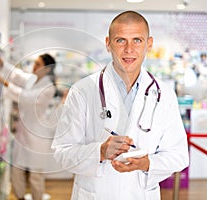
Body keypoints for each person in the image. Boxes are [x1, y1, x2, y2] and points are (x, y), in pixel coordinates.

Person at [52, 11, 189, 200]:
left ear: (149, 44)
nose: (129, 49)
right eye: (121, 40)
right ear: (108, 44)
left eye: (137, 40)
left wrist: (147, 163)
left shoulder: (164, 95)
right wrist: (99, 152)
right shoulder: (83, 91)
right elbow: (62, 152)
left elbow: (178, 155)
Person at [0, 53, 56, 200]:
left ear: (47, 69)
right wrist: (1, 62)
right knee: (16, 169)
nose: (34, 67)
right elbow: (17, 75)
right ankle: (20, 197)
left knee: (35, 175)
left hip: (37, 136)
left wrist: (5, 83)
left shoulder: (49, 87)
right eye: (35, 63)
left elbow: (28, 98)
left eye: (38, 64)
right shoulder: (33, 80)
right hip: (23, 134)